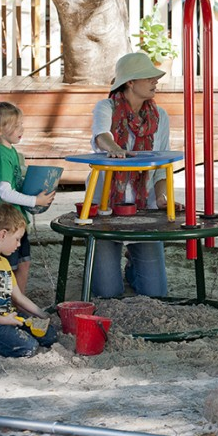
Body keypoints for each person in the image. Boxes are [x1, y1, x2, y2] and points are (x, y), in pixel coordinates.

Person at [88, 51, 175, 298]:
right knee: (107, 292)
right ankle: (113, 260)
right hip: (106, 206)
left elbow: (162, 165)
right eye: (148, 77)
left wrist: (162, 199)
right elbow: (101, 135)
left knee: (156, 293)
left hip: (144, 206)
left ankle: (132, 264)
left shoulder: (160, 116)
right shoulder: (106, 107)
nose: (155, 81)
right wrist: (114, 149)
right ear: (130, 82)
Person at [0, 101, 57, 294]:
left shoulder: (11, 151)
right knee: (6, 267)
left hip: (17, 219)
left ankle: (19, 302)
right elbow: (4, 192)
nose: (21, 129)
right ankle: (4, 304)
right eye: (15, 126)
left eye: (21, 124)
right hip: (4, 221)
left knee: (24, 263)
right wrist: (35, 201)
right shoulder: (0, 154)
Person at [0, 203, 58, 357]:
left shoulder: (4, 262)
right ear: (2, 235)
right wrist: (4, 321)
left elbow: (18, 297)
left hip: (9, 317)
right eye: (17, 239)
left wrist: (44, 315)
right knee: (29, 347)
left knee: (50, 336)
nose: (19, 244)